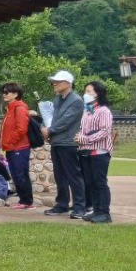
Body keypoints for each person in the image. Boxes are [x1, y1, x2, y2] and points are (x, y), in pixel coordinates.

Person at [43, 70, 88, 219]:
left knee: (73, 175)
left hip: (68, 143)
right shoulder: (58, 98)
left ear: (68, 83)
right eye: (53, 82)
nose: (54, 84)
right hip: (57, 141)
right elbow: (54, 118)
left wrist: (50, 131)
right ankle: (61, 204)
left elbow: (65, 121)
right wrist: (49, 131)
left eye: (58, 82)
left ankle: (79, 207)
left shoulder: (76, 100)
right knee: (59, 176)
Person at [77, 81, 114, 223]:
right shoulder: (87, 110)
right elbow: (82, 129)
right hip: (86, 151)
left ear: (98, 94)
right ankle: (96, 210)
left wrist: (85, 139)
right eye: (85, 91)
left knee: (100, 182)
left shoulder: (104, 111)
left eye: (89, 91)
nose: (86, 94)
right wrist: (80, 137)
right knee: (90, 182)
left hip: (100, 152)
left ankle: (104, 212)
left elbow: (104, 131)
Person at [0, 82, 35, 209]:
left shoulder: (19, 108)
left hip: (19, 147)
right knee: (16, 174)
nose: (4, 94)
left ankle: (27, 201)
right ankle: (24, 200)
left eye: (6, 92)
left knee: (20, 174)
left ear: (15, 94)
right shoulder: (10, 109)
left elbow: (21, 129)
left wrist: (9, 142)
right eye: (3, 92)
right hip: (12, 147)